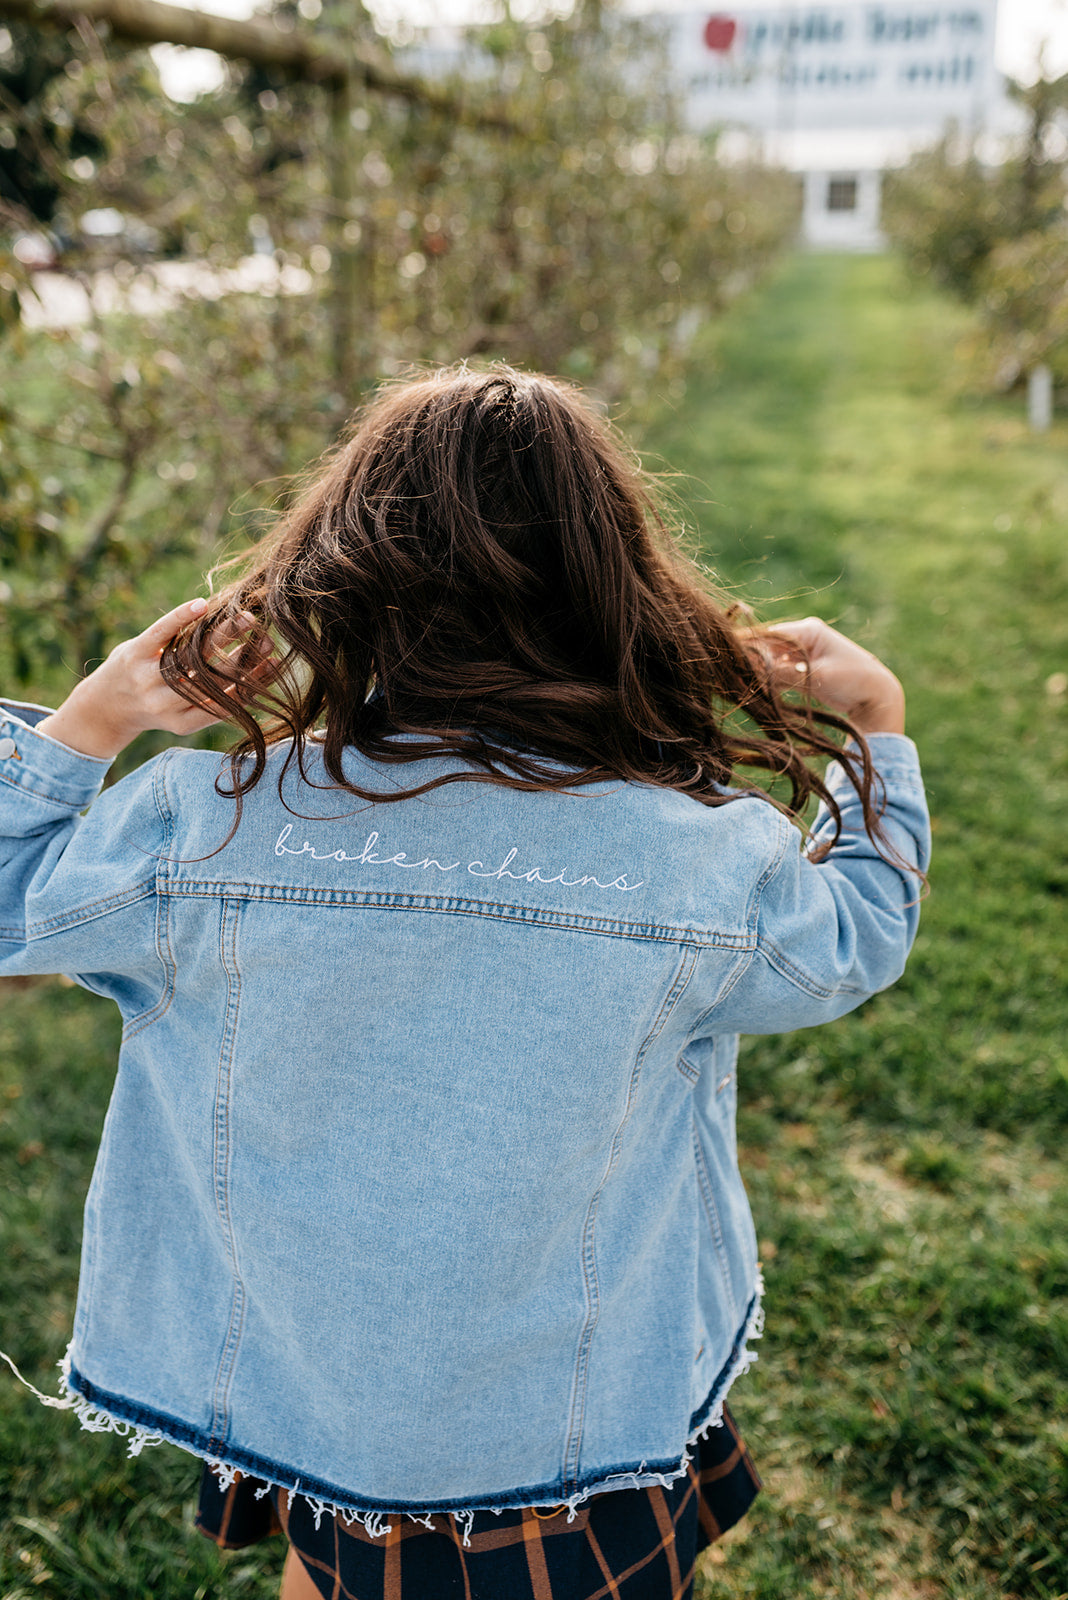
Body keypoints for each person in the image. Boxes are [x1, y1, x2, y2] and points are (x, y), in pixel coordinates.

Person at [0, 365, 929, 1600]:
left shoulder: (207, 823)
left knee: (333, 1565)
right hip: (569, 1410)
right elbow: (857, 936)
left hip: (314, 1378)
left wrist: (95, 718)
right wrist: (876, 724)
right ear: (616, 591)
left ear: (344, 575)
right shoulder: (702, 857)